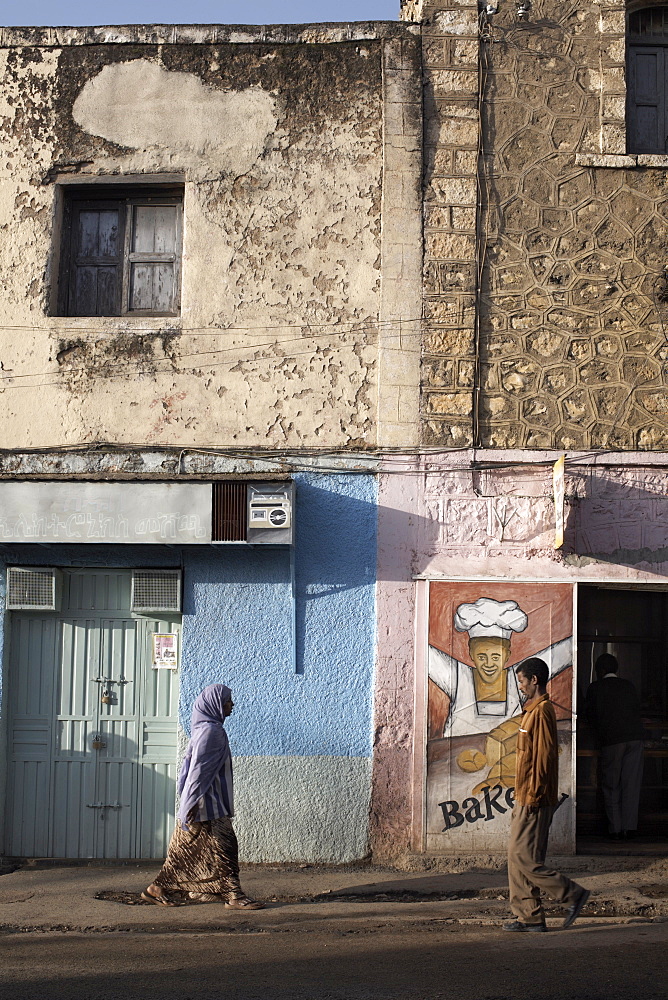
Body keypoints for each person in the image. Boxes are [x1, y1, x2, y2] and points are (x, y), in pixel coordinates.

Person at [143, 683, 264, 908]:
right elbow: (198, 772)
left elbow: (187, 771)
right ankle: (233, 896)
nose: (232, 704)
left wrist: (185, 802)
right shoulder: (212, 732)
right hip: (207, 805)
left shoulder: (202, 728)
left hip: (200, 803)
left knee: (187, 850)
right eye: (228, 700)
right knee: (225, 846)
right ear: (216, 704)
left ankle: (161, 888)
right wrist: (188, 805)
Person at [503, 657, 590, 932]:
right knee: (518, 857)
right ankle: (529, 916)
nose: (520, 686)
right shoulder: (531, 710)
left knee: (522, 857)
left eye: (521, 681)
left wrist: (533, 797)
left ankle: (572, 894)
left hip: (534, 799)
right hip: (525, 796)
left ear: (534, 681)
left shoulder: (541, 712)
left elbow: (542, 760)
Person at [585, 653, 644, 840]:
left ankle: (616, 829)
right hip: (635, 738)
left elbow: (590, 717)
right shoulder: (629, 686)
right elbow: (637, 710)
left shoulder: (595, 688)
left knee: (611, 785)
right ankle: (630, 828)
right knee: (631, 784)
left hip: (612, 741)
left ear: (600, 671)